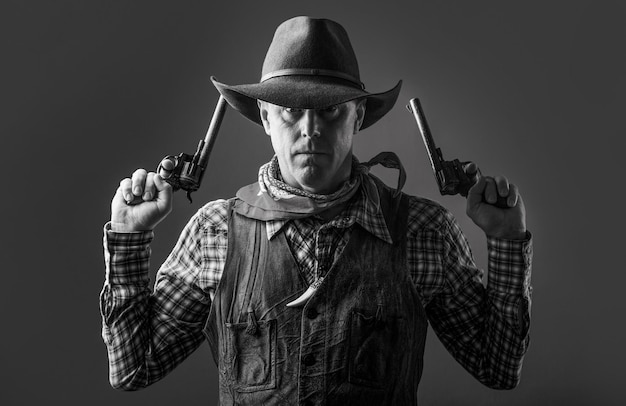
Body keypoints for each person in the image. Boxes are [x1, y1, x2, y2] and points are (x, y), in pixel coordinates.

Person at [101, 16, 532, 405]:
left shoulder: (424, 231)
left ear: (358, 115)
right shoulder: (216, 232)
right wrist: (128, 237)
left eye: (330, 110)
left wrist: (507, 241)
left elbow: (497, 369)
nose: (310, 129)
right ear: (266, 118)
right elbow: (134, 368)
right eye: (291, 111)